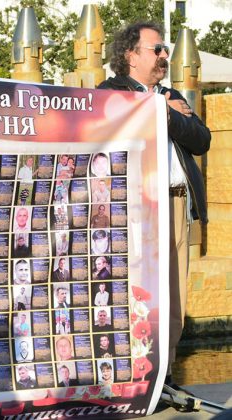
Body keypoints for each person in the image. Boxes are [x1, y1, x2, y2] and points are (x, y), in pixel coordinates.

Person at [99, 23, 211, 389]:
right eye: (157, 49)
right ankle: (137, 374)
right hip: (136, 208)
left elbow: (201, 140)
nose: (165, 55)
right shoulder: (109, 92)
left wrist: (169, 114)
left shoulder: (170, 95)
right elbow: (106, 131)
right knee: (139, 291)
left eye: (165, 50)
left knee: (174, 294)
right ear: (130, 55)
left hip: (177, 205)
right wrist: (153, 108)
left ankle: (167, 375)